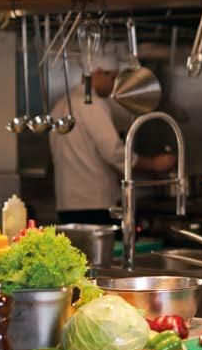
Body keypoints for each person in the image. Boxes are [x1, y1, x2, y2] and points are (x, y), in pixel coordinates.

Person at [49, 45, 176, 224]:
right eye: (113, 78)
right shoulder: (92, 104)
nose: (113, 85)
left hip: (66, 203)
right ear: (98, 72)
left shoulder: (61, 104)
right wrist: (154, 164)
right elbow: (113, 152)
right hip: (94, 204)